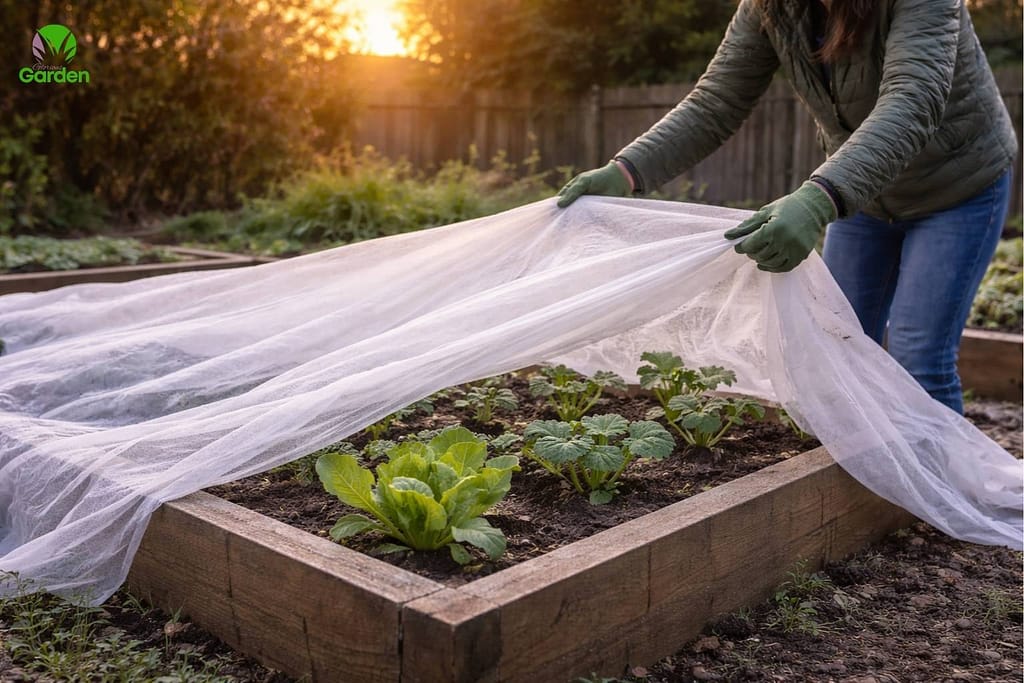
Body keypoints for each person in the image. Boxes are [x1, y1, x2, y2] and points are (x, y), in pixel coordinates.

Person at [556, 0, 1017, 415]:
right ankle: (864, 493)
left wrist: (818, 200)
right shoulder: (771, 7)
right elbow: (717, 100)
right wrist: (625, 172)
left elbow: (912, 98)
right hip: (865, 197)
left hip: (957, 187)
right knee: (835, 348)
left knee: (920, 355)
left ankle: (937, 502)